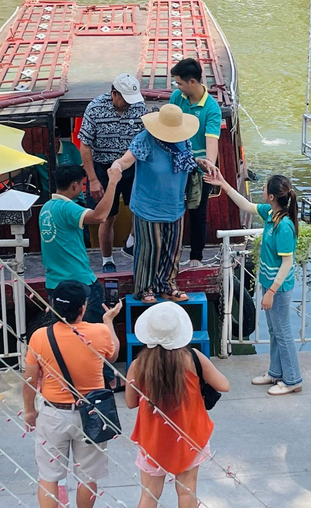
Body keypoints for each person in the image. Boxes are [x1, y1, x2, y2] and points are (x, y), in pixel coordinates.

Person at [23, 280, 122, 508]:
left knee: (49, 476)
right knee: (87, 476)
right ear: (82, 308)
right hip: (91, 414)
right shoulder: (99, 332)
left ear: (53, 306)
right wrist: (109, 322)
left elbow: (29, 379)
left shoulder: (39, 336)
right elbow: (114, 354)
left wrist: (29, 410)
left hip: (53, 413)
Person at [204, 171, 302, 395]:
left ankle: (293, 378)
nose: (262, 190)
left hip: (278, 287)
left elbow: (287, 263)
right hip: (269, 283)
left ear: (271, 197)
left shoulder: (284, 226)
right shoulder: (270, 213)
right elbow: (247, 206)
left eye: (265, 188)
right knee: (275, 330)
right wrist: (223, 184)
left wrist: (271, 292)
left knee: (283, 331)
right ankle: (276, 372)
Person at [126, 302, 229, 508]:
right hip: (188, 436)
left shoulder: (138, 365)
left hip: (153, 439)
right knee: (187, 490)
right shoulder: (192, 358)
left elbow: (130, 402)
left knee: (149, 495)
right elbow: (224, 385)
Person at [108, 104, 203, 304]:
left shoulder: (184, 141)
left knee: (173, 248)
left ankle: (167, 285)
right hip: (148, 206)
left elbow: (188, 162)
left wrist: (202, 163)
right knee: (150, 248)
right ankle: (144, 288)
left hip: (175, 205)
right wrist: (117, 166)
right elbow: (126, 160)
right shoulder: (145, 140)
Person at [78, 73, 147, 273]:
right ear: (114, 94)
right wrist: (92, 179)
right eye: (125, 99)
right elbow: (85, 146)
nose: (128, 104)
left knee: (140, 210)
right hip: (102, 168)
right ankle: (107, 259)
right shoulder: (95, 108)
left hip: (131, 165)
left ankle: (132, 242)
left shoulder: (138, 108)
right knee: (106, 217)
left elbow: (143, 140)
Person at [39, 163, 122, 324]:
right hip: (79, 284)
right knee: (91, 333)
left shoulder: (46, 208)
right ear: (75, 185)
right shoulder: (67, 208)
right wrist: (112, 183)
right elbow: (100, 217)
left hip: (54, 284)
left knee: (63, 333)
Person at [166, 57, 222, 268]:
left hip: (198, 170)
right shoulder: (176, 98)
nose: (176, 87)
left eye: (179, 82)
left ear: (192, 82)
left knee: (198, 213)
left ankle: (196, 257)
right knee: (173, 210)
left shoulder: (211, 108)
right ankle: (171, 254)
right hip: (175, 165)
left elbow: (212, 141)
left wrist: (209, 165)